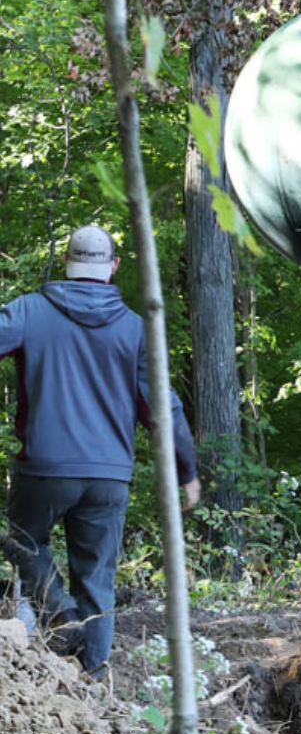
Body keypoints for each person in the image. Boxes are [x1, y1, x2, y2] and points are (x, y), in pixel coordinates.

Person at [0, 224, 199, 674]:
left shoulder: (30, 311)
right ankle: (92, 676)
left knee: (21, 539)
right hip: (110, 474)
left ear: (68, 261)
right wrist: (186, 470)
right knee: (97, 579)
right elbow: (163, 408)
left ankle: (60, 615)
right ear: (112, 267)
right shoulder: (135, 329)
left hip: (44, 468)